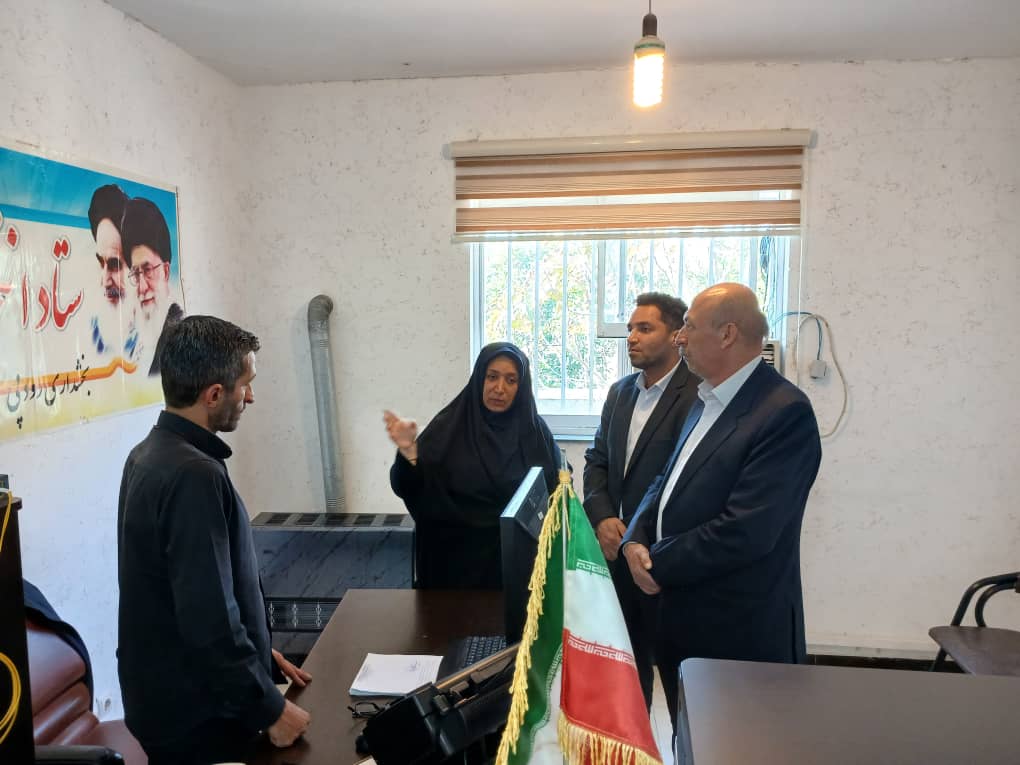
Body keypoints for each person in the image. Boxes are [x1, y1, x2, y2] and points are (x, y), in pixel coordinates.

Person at [621, 283, 821, 730]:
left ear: (728, 334)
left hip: (738, 634)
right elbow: (664, 481)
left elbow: (745, 531)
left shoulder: (784, 412)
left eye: (688, 327)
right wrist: (634, 538)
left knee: (742, 747)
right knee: (691, 740)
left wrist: (653, 562)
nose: (679, 338)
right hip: (682, 623)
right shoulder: (704, 398)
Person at [117, 315, 311, 764]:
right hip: (196, 716)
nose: (251, 397)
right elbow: (208, 619)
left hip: (165, 698)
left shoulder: (147, 454)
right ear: (214, 395)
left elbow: (174, 591)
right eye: (246, 385)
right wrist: (269, 706)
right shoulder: (194, 475)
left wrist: (258, 652)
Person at [582, 292, 700, 708]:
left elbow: (684, 481)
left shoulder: (699, 395)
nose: (631, 337)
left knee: (680, 683)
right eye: (630, 328)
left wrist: (637, 533)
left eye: (644, 328)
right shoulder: (620, 393)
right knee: (626, 679)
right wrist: (601, 518)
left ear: (676, 335)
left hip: (664, 560)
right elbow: (596, 461)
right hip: (615, 556)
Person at [384, 342, 560, 589]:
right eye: (492, 377)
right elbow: (408, 485)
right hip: (452, 568)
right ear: (479, 379)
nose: (499, 388)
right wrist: (407, 452)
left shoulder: (534, 432)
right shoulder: (448, 428)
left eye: (511, 380)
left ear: (521, 387)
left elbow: (555, 490)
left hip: (516, 571)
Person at [120, 196, 184, 375]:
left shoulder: (179, 339)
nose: (142, 287)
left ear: (165, 271)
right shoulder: (137, 340)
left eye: (148, 270)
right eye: (136, 273)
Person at [87, 184, 138, 357]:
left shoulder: (158, 337)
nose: (105, 281)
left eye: (114, 265)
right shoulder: (94, 333)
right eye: (101, 263)